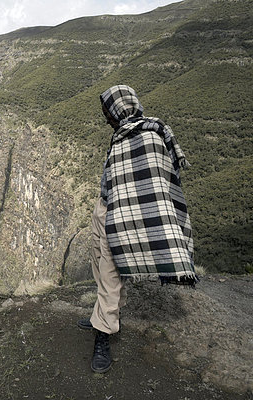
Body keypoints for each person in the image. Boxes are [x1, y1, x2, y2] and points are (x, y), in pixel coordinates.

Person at [78, 85, 197, 373]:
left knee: (110, 272)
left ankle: (103, 335)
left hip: (123, 214)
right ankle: (102, 313)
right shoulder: (120, 135)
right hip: (104, 207)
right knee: (99, 265)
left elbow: (157, 180)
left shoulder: (147, 136)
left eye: (107, 110)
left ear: (119, 109)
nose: (105, 116)